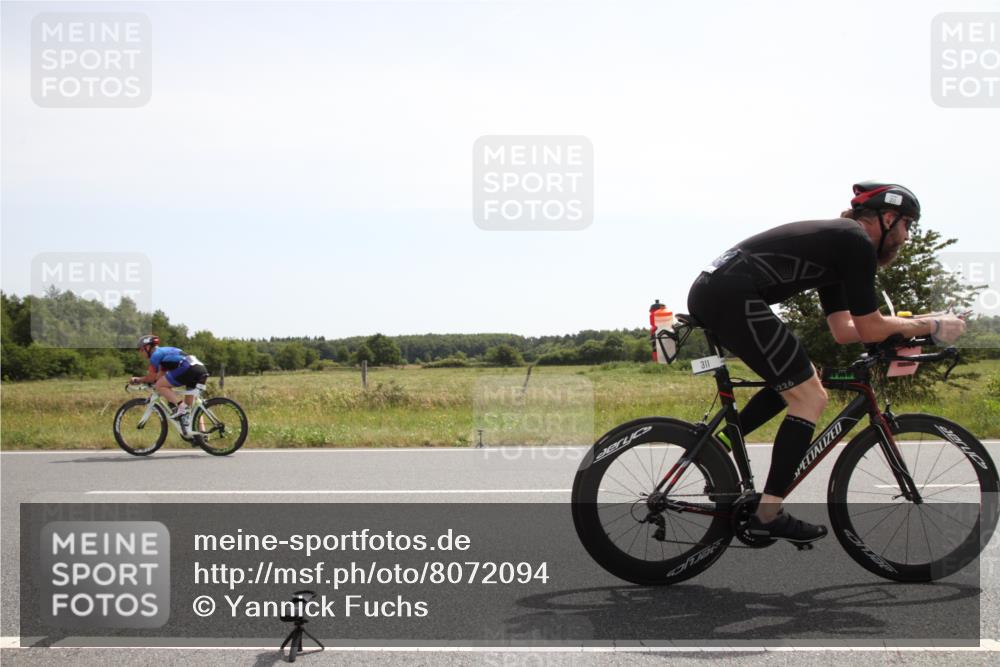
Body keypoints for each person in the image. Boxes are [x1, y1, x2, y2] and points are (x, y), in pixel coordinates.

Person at [686, 182, 966, 545]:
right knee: (810, 398)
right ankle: (767, 515)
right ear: (888, 217)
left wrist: (915, 325)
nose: (907, 237)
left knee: (804, 377)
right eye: (907, 226)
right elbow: (871, 326)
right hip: (730, 294)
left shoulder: (839, 248)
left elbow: (845, 330)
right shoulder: (856, 242)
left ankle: (717, 446)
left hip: (719, 291)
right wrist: (932, 324)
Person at [130, 335, 209, 438]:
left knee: (160, 386)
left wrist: (137, 380)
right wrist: (152, 385)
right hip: (199, 368)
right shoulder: (165, 352)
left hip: (188, 368)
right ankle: (203, 435)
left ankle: (181, 407)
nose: (141, 353)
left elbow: (152, 377)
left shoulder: (155, 355)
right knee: (192, 407)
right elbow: (159, 376)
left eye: (141, 350)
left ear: (148, 347)